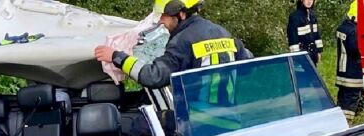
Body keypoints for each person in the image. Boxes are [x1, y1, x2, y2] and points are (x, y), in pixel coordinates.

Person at [94, 0, 251, 89]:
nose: (160, 20)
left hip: (197, 120)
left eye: (165, 15)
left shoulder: (183, 41)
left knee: (138, 126)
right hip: (230, 120)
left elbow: (154, 77)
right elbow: (249, 67)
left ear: (181, 14)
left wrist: (117, 57)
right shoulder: (223, 33)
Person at [336, 1, 363, 121]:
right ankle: (347, 124)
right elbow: (355, 50)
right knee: (351, 100)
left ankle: (338, 121)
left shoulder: (342, 27)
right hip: (352, 73)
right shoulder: (354, 31)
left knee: (342, 98)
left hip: (342, 71)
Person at [287, 0, 323, 65]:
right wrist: (296, 57)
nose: (309, 1)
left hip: (313, 54)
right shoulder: (294, 17)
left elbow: (317, 35)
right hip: (301, 55)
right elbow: (293, 40)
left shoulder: (312, 15)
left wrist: (319, 51)